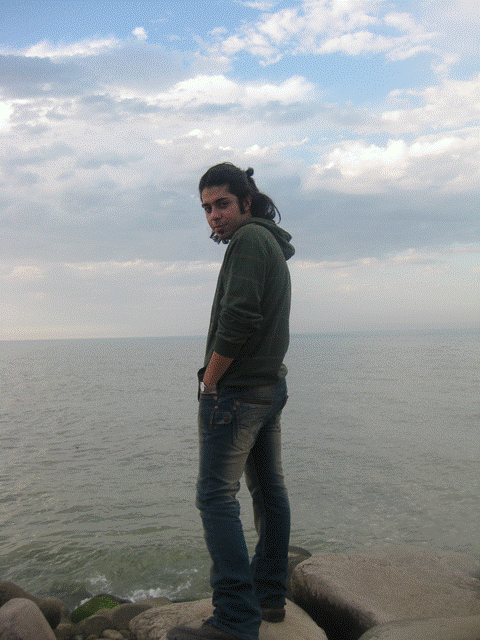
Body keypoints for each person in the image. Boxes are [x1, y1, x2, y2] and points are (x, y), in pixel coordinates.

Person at [167, 162, 295, 640]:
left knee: (215, 497)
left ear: (246, 201)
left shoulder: (248, 241)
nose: (214, 215)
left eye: (221, 204)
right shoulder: (268, 243)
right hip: (267, 389)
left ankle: (235, 620)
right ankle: (268, 596)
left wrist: (210, 381)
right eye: (206, 208)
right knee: (269, 491)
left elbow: (239, 318)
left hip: (238, 395)